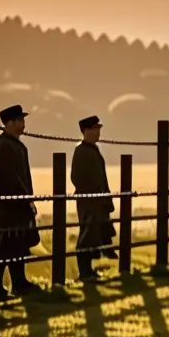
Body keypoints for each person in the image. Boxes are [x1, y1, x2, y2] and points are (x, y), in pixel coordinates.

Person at [0, 104, 42, 301]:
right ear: (10, 123)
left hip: (16, 203)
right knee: (5, 244)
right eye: (20, 120)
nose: (23, 124)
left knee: (16, 243)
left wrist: (27, 199)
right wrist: (24, 198)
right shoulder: (4, 146)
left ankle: (18, 283)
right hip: (9, 205)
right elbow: (8, 178)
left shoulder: (11, 145)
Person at [70, 115, 115, 281]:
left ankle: (88, 270)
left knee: (94, 234)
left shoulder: (91, 150)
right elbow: (76, 177)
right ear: (86, 131)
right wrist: (92, 193)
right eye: (95, 129)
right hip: (88, 201)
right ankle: (84, 271)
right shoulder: (81, 151)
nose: (98, 133)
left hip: (97, 200)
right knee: (87, 235)